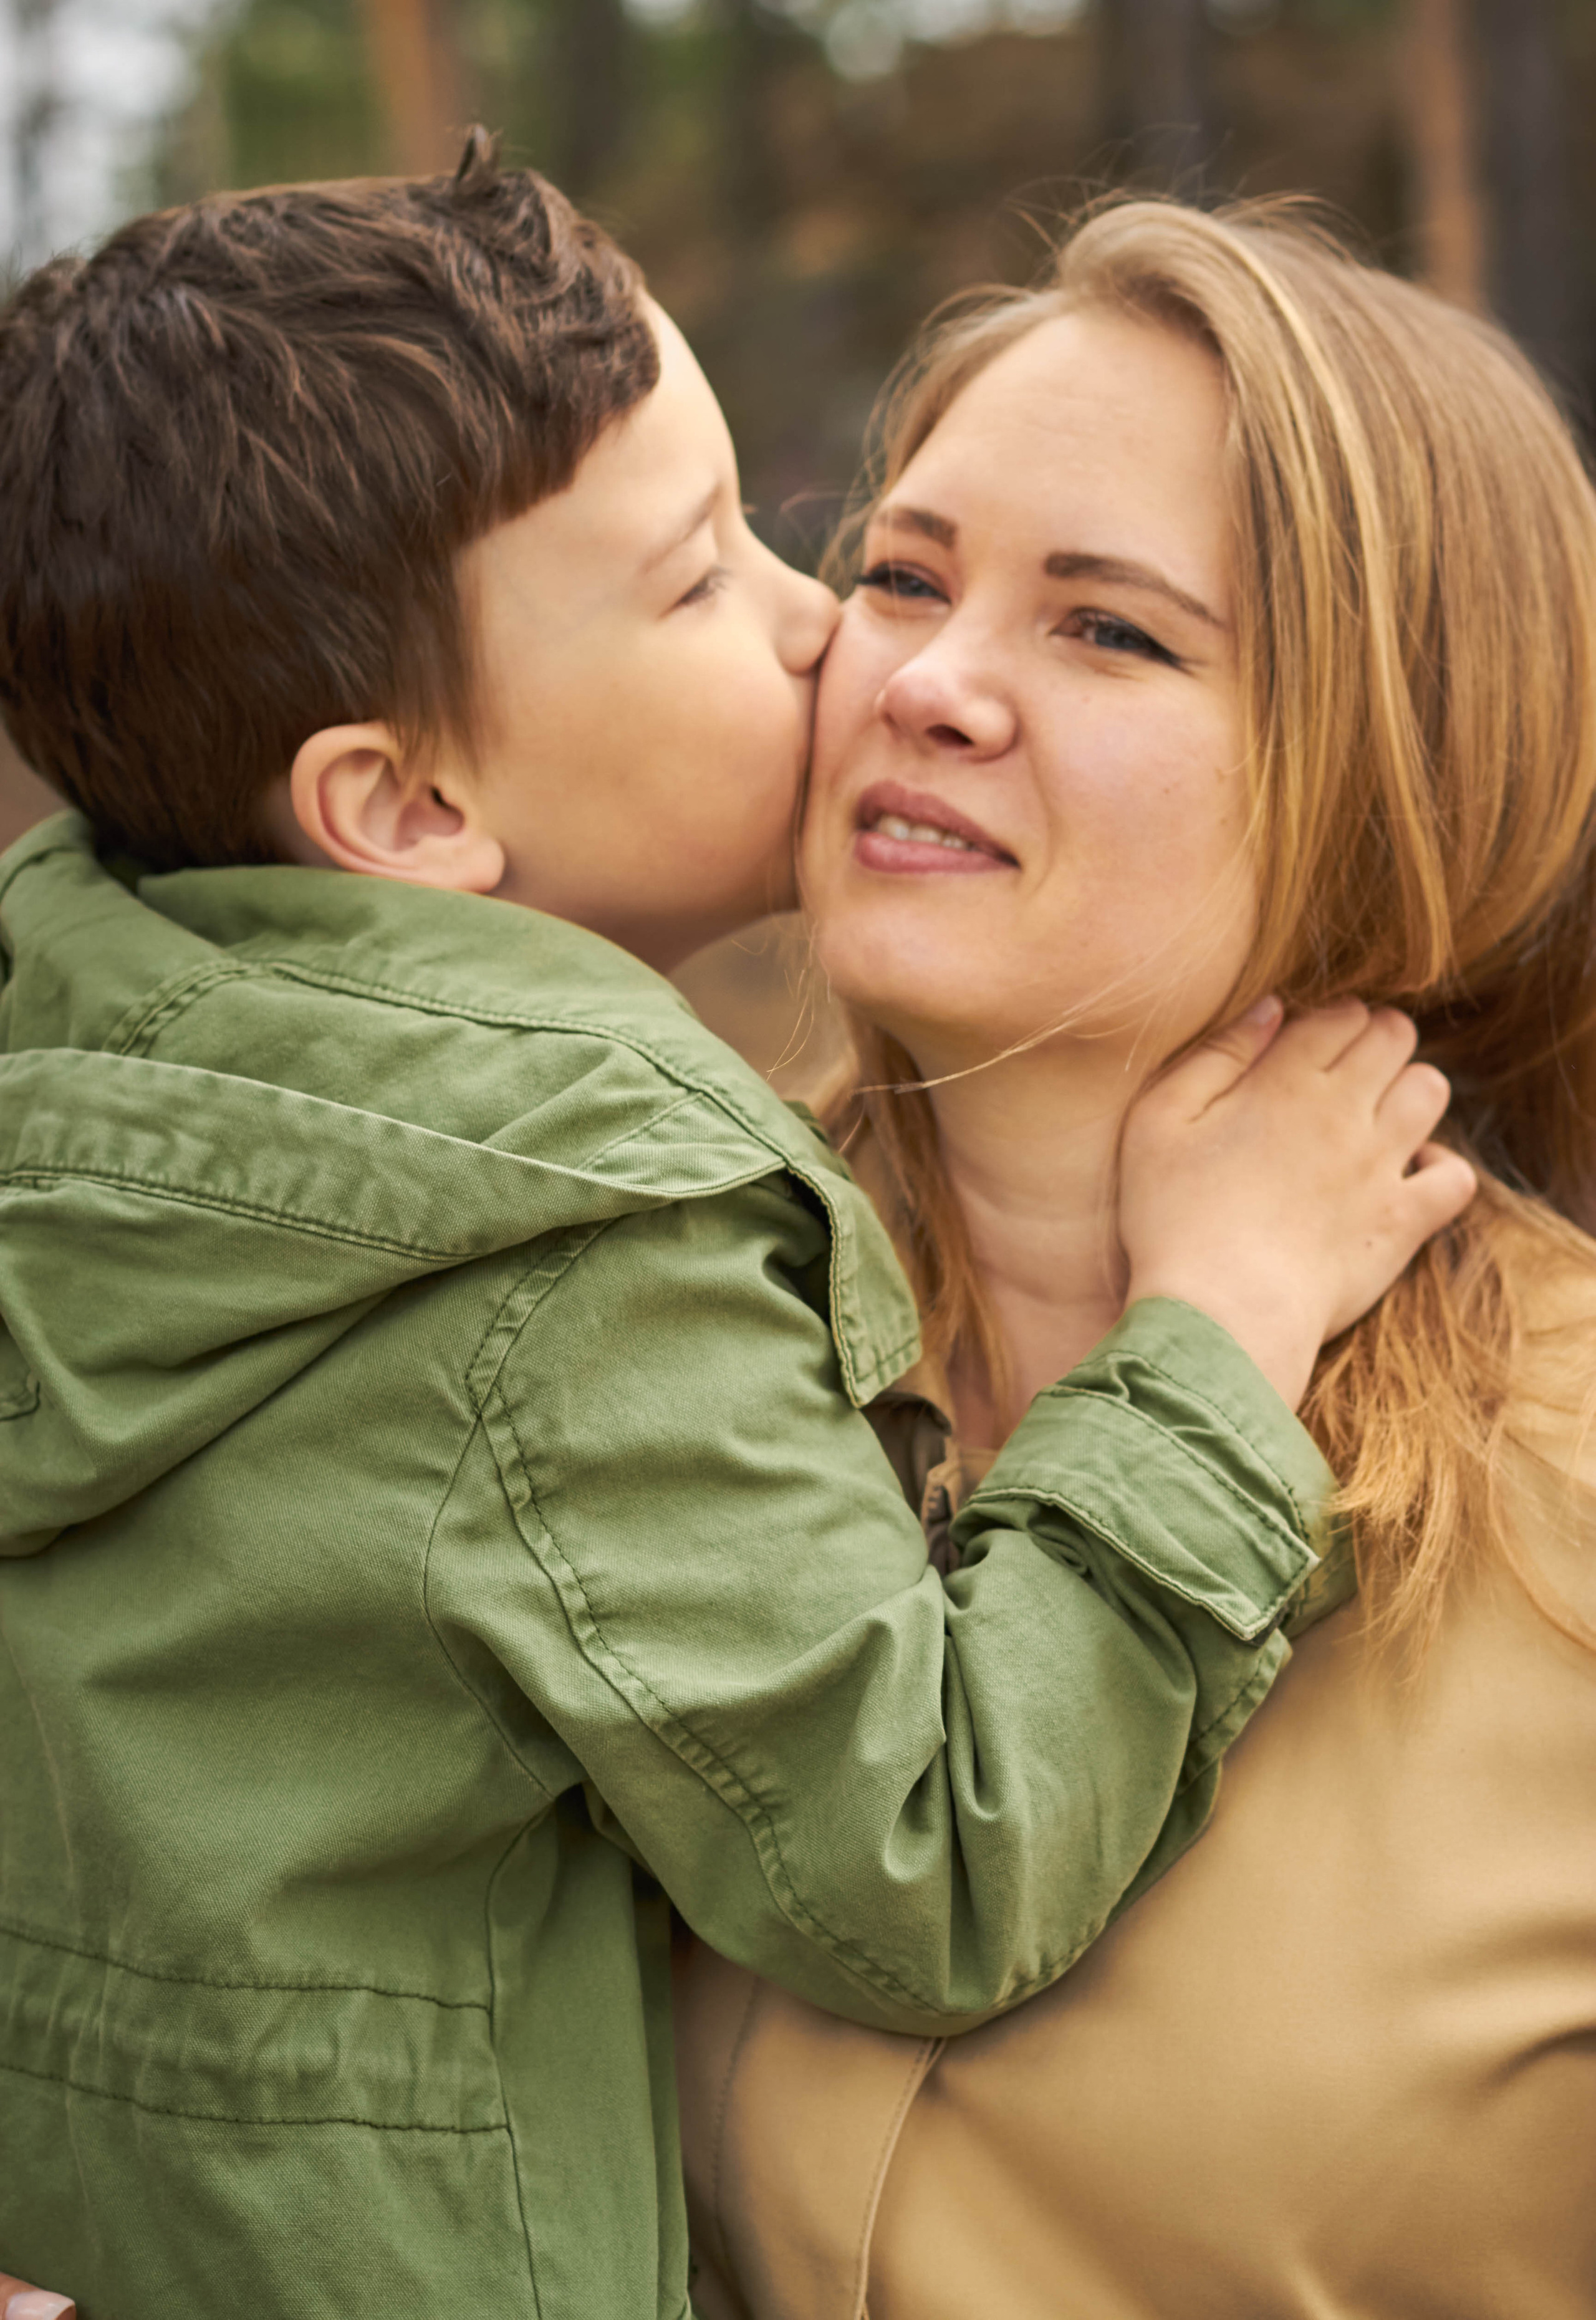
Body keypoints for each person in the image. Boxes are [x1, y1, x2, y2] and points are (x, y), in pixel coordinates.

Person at [0, 145, 1467, 2318]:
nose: (835, 642)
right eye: (711, 581)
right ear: (403, 809)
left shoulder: (98, 1129)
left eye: (1107, 625)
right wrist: (1222, 1327)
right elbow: (925, 1858)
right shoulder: (584, 1251)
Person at [675, 196, 1596, 2320]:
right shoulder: (616, 1347)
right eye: (904, 576)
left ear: (1403, 769)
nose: (930, 685)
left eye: (1110, 631)